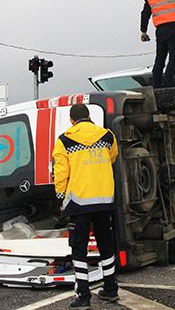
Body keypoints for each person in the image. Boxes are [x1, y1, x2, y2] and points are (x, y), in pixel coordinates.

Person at [52, 104, 119, 309]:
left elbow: (61, 173)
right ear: (89, 117)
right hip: (104, 200)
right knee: (106, 244)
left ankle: (83, 297)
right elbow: (112, 157)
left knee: (79, 250)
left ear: (71, 121)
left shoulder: (64, 140)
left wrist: (61, 200)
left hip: (79, 201)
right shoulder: (108, 136)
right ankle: (110, 289)